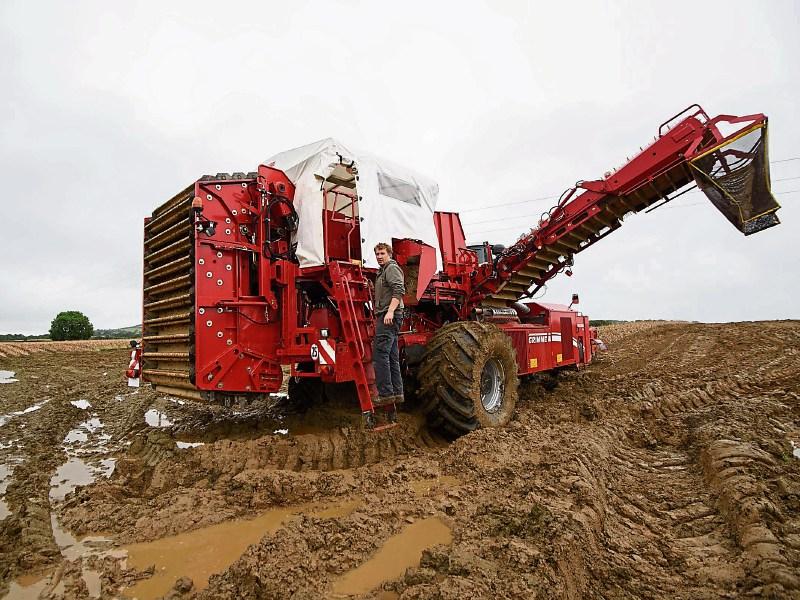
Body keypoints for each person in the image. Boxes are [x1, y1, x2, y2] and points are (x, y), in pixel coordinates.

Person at [372, 242, 405, 406]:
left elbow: (399, 289)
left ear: (389, 254)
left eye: (382, 253)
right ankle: (397, 393)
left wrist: (390, 311)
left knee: (380, 355)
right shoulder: (382, 271)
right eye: (377, 254)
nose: (379, 257)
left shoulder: (391, 268)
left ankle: (385, 394)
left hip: (389, 315)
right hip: (388, 314)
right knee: (392, 356)